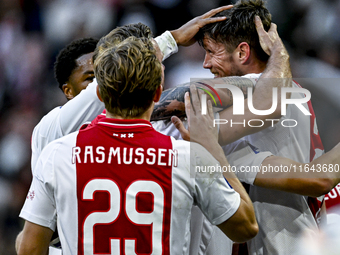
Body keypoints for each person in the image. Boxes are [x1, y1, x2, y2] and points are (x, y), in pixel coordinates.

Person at [16, 35, 258, 255]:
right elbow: (246, 228)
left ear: (99, 95)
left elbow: (29, 250)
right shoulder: (189, 156)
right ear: (157, 94)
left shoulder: (57, 154)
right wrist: (214, 153)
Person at [168, 0, 328, 254]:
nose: (205, 64)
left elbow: (268, 100)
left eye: (212, 51)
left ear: (242, 53)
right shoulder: (289, 89)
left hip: (280, 243)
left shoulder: (259, 87)